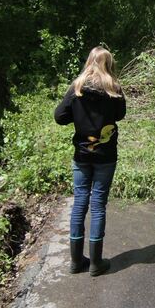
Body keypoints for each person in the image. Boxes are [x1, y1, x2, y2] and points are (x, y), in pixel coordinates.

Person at [54, 46, 126, 276]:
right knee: (98, 205)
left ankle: (76, 262)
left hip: (82, 155)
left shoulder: (77, 88)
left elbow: (59, 117)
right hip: (105, 156)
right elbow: (120, 115)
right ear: (108, 64)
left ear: (89, 62)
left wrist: (79, 114)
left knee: (80, 203)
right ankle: (96, 263)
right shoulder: (114, 88)